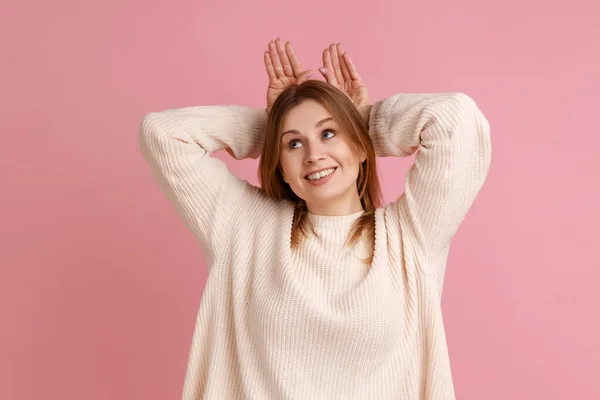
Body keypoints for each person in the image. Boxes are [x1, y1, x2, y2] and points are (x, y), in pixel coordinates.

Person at [138, 38, 492, 400]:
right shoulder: (245, 227)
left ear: (358, 147)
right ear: (281, 166)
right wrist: (273, 125)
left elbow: (456, 119)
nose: (313, 154)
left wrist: (364, 122)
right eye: (294, 144)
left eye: (328, 133)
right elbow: (164, 134)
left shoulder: (410, 237)